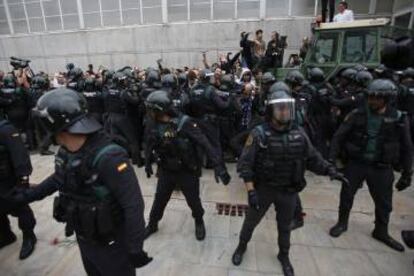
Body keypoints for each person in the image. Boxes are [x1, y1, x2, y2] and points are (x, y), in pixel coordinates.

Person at [9, 88, 152, 276]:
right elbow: (58, 179)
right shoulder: (66, 151)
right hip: (85, 237)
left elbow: (133, 204)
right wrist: (25, 196)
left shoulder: (110, 156)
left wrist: (135, 247)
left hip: (112, 245)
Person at [232, 89, 348, 276]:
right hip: (264, 189)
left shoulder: (299, 134)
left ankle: (283, 255)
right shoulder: (259, 134)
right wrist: (251, 191)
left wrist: (330, 170)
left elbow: (313, 159)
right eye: (280, 109)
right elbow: (245, 164)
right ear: (271, 111)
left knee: (285, 226)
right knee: (251, 222)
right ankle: (241, 247)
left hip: (288, 191)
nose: (284, 112)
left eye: (287, 109)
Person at [329, 79, 413, 252]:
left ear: (387, 99)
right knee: (346, 194)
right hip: (357, 164)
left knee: (384, 203)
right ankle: (342, 223)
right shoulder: (357, 114)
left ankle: (381, 231)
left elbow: (407, 147)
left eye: (377, 98)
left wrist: (407, 173)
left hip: (382, 167)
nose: (372, 101)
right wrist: (331, 162)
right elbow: (339, 137)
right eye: (370, 97)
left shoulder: (398, 118)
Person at [143, 90, 230, 241]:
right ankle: (152, 224)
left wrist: (218, 165)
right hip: (166, 169)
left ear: (160, 109)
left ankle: (199, 220)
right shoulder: (153, 123)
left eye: (151, 109)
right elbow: (150, 142)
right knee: (159, 199)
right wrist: (147, 163)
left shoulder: (184, 123)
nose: (149, 112)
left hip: (187, 170)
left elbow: (205, 143)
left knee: (193, 201)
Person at [0, 117, 37, 260]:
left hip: (8, 180)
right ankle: (6, 236)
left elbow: (20, 155)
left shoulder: (5, 129)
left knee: (20, 206)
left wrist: (23, 180)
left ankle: (29, 236)